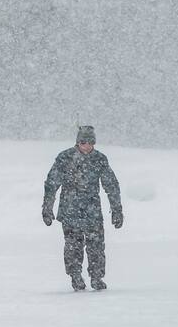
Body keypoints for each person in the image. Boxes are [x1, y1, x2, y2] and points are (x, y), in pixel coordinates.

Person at [42, 125, 123, 291]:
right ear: (78, 142)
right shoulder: (65, 158)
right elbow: (52, 183)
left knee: (97, 247)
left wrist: (117, 210)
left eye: (91, 142)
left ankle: (96, 277)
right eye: (83, 142)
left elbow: (111, 185)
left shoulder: (99, 159)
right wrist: (47, 208)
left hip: (92, 210)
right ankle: (75, 276)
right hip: (70, 210)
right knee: (73, 246)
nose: (87, 146)